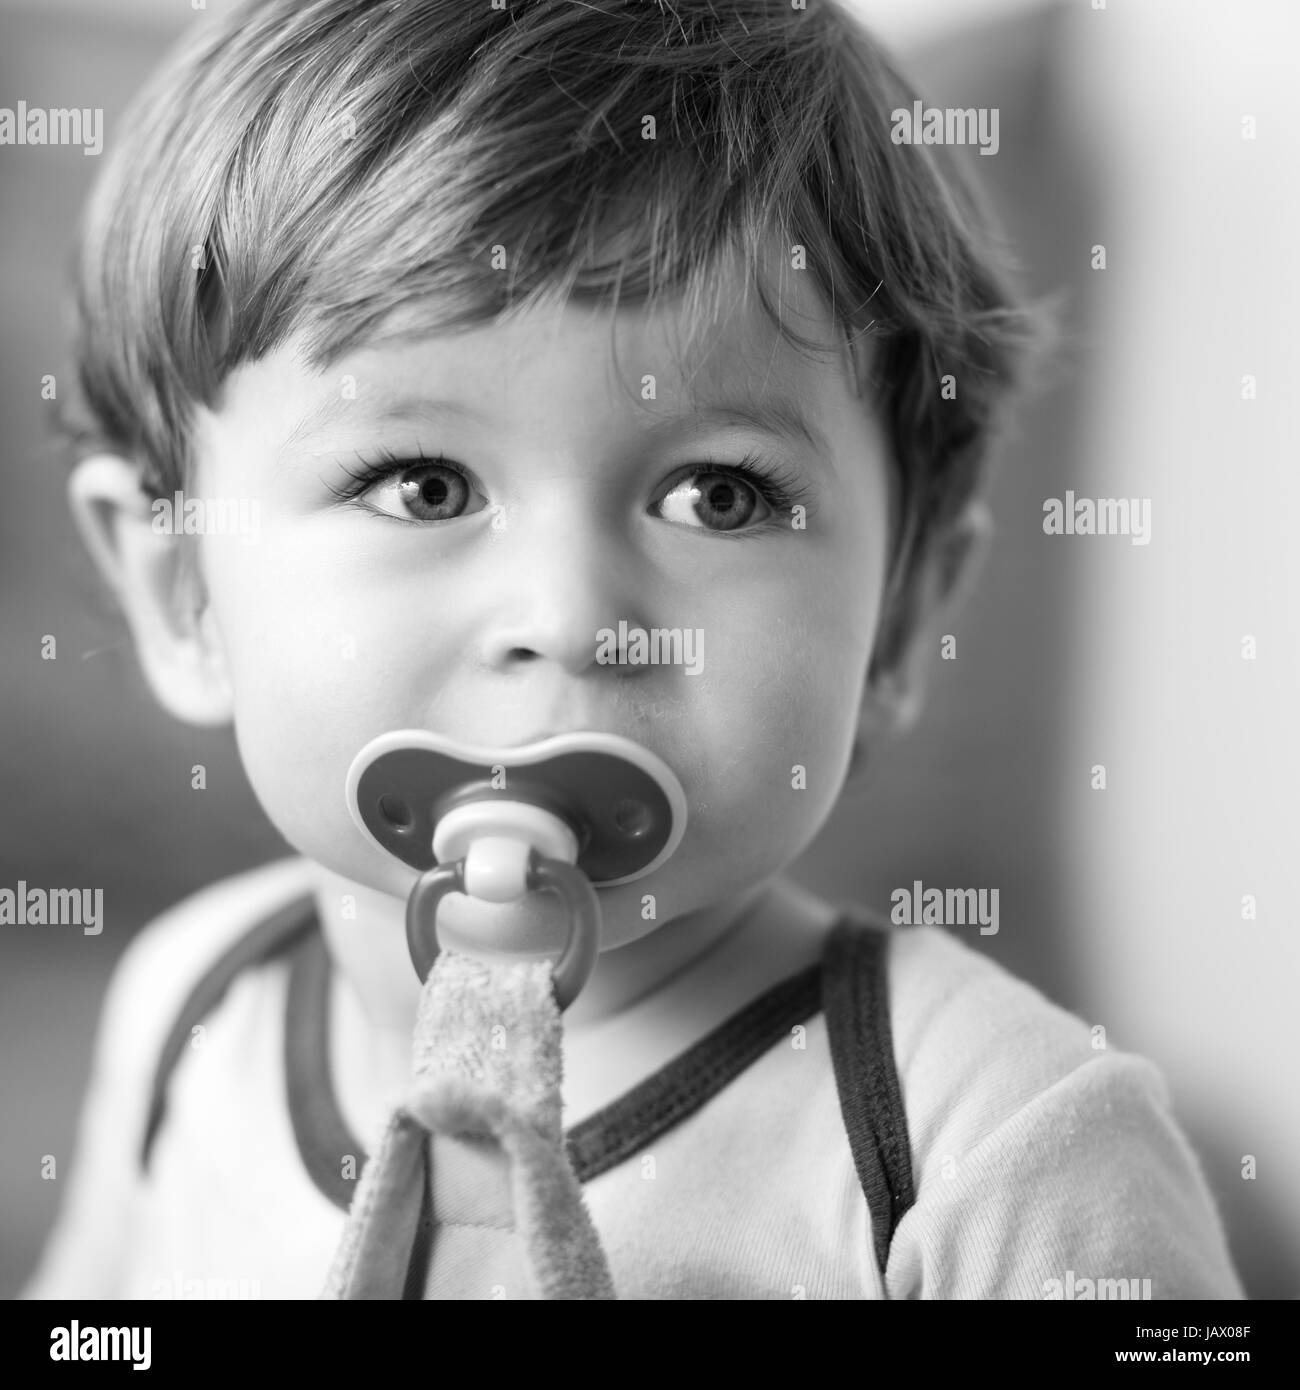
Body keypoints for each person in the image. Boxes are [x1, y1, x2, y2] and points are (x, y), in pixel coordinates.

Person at [24, 0, 1241, 1299]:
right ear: (181, 592)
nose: (566, 616)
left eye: (721, 495)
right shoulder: (188, 1013)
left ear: (900, 616)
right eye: (424, 484)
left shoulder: (998, 1145)